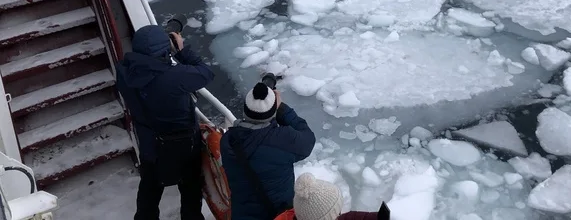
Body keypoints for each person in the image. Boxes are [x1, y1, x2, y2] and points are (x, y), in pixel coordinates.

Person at [116, 24, 215, 220]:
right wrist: (181, 49)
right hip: (184, 144)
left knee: (149, 190)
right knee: (190, 188)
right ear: (164, 50)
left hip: (150, 145)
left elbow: (150, 70)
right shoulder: (175, 77)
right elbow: (205, 73)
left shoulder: (124, 73)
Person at [221, 81, 316, 220]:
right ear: (273, 112)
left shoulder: (227, 141)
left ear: (244, 110)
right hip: (278, 214)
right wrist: (282, 109)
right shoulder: (283, 139)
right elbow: (308, 139)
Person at [274, 173, 386, 220]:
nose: (339, 215)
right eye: (336, 214)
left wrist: (376, 217)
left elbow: (346, 218)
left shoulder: (303, 213)